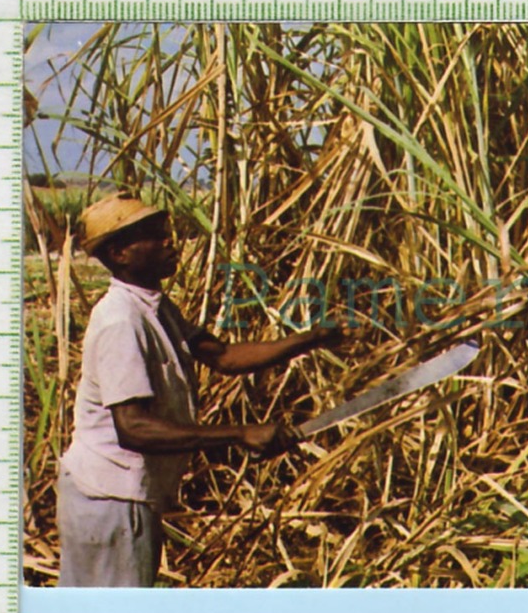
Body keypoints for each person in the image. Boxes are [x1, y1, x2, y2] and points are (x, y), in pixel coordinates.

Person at [56, 192, 342, 587]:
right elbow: (134, 427)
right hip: (110, 498)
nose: (170, 242)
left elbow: (223, 356)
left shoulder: (154, 306)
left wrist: (313, 339)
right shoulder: (121, 321)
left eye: (165, 232)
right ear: (120, 253)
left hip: (122, 494)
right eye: (155, 237)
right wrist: (241, 433)